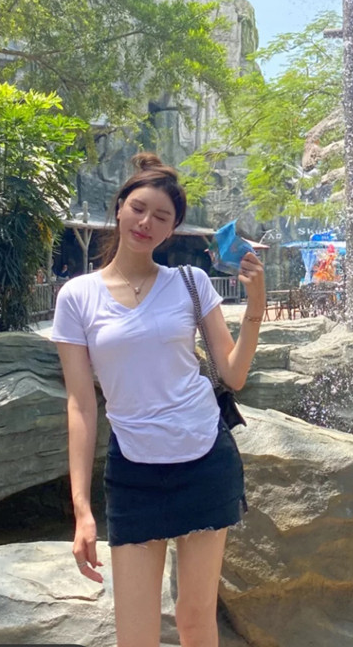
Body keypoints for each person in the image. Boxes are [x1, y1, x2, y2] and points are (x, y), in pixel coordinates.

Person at [51, 153, 266, 647]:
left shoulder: (190, 283)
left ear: (172, 230)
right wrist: (81, 509)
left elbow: (232, 375)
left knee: (194, 618)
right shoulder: (77, 297)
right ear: (120, 207)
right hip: (134, 471)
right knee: (135, 633)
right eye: (139, 208)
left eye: (162, 217)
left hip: (204, 460)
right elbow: (81, 405)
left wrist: (255, 307)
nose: (146, 222)